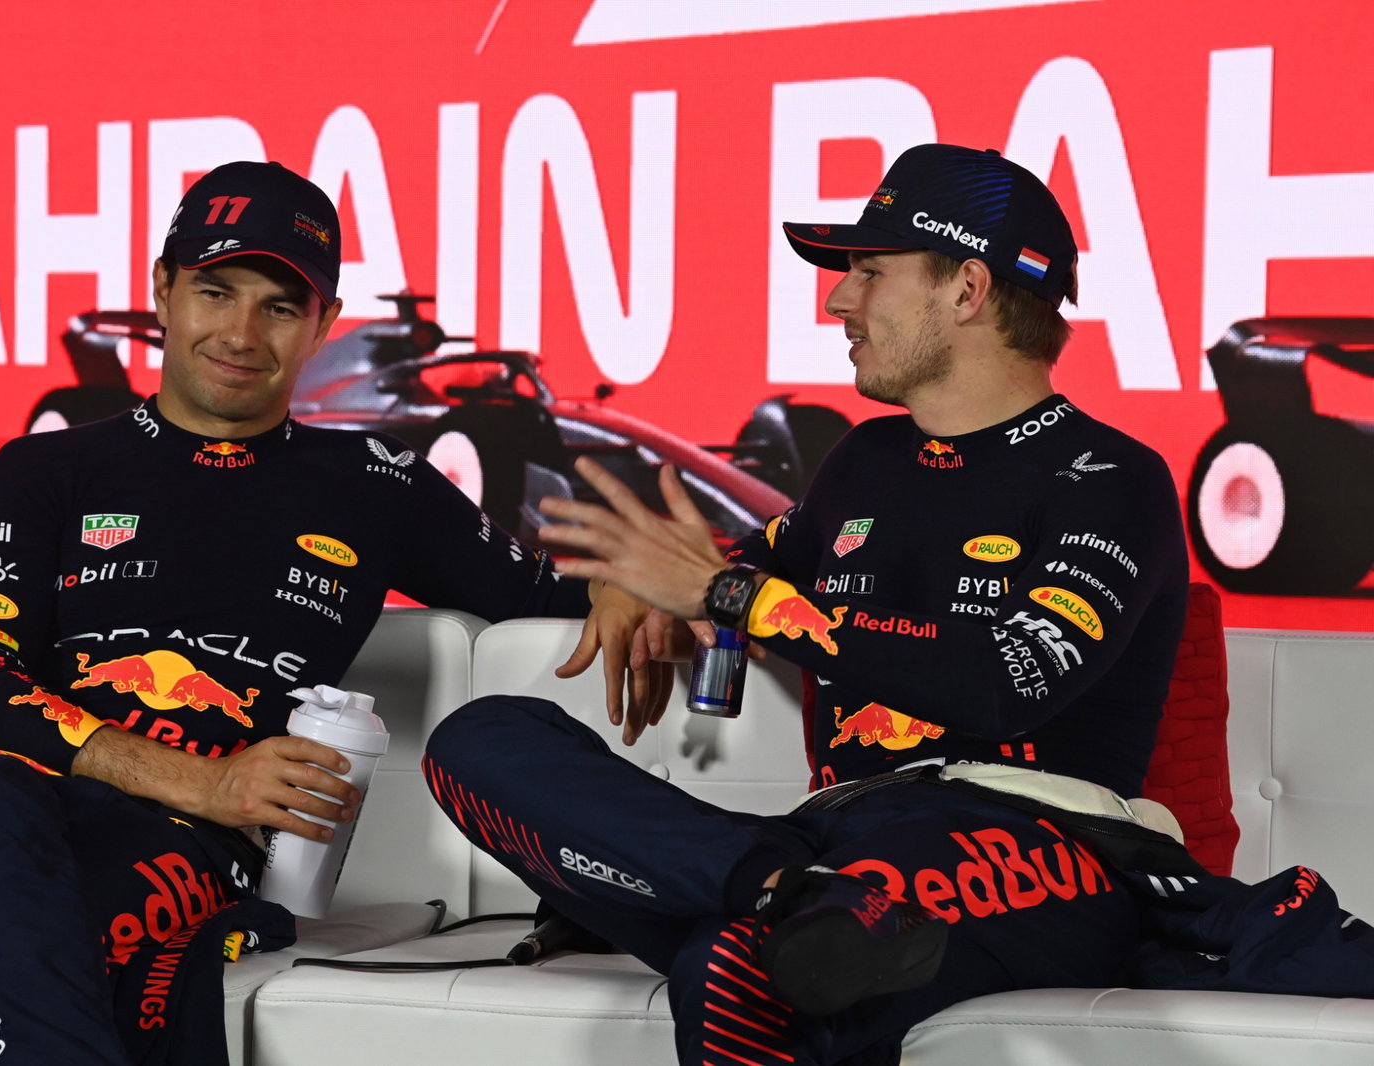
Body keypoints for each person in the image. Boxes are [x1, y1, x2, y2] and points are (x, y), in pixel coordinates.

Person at [0, 160, 659, 1066]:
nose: (240, 332)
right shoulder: (43, 470)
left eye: (279, 305)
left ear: (324, 326)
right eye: (215, 290)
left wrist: (630, 585)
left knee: (64, 921)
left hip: (184, 852)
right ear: (164, 290)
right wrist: (206, 781)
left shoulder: (377, 484)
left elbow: (550, 604)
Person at [422, 143, 1194, 1066]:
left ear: (968, 289)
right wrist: (639, 579)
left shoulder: (1114, 477)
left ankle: (790, 901)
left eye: (870, 273)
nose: (838, 301)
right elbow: (751, 562)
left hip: (1047, 848)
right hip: (837, 842)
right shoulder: (862, 463)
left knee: (732, 963)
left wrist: (725, 594)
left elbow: (1006, 684)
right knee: (479, 740)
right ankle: (787, 891)